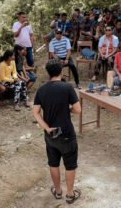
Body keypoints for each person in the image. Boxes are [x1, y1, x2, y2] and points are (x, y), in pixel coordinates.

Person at [32, 59, 82, 204]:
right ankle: (70, 194)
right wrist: (68, 109)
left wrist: (46, 128)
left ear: (48, 73)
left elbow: (35, 112)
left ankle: (58, 191)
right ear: (61, 71)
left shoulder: (41, 89)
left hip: (50, 134)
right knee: (70, 164)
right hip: (66, 133)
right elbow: (78, 110)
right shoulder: (67, 88)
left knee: (53, 163)